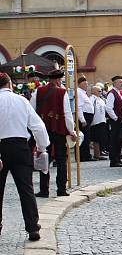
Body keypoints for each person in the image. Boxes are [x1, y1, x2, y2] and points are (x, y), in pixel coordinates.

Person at [0, 72, 49, 241]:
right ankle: (32, 227)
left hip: (0, 148)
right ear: (10, 85)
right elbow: (38, 126)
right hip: (20, 147)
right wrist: (42, 147)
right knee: (26, 189)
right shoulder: (21, 101)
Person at [30, 69, 77, 198]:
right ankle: (61, 189)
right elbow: (67, 114)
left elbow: (32, 111)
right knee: (62, 160)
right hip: (59, 131)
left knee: (44, 158)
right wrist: (72, 131)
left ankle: (44, 190)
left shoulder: (38, 91)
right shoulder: (63, 93)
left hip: (43, 131)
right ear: (58, 80)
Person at [105, 75, 122, 167]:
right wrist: (116, 118)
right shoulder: (112, 93)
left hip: (120, 120)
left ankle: (118, 158)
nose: (121, 84)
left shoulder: (119, 93)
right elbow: (109, 108)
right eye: (119, 82)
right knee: (115, 140)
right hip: (116, 121)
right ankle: (114, 160)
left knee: (119, 140)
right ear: (114, 83)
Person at [76, 76, 94, 161]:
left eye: (87, 84)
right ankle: (83, 156)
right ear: (79, 84)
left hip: (87, 116)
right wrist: (82, 120)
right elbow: (79, 107)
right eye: (84, 84)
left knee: (86, 138)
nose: (86, 85)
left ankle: (86, 155)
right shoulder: (79, 92)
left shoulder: (83, 92)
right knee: (84, 138)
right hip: (84, 116)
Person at [89, 83, 108, 161]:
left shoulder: (101, 99)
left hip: (102, 120)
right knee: (96, 139)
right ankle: (96, 154)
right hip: (95, 121)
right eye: (99, 91)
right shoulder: (92, 99)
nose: (100, 92)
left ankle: (100, 153)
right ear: (94, 91)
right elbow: (91, 110)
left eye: (101, 91)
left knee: (101, 138)